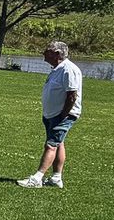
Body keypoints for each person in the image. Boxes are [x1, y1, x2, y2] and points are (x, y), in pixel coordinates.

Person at [19, 41, 81, 189]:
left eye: (47, 51)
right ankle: (56, 178)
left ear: (57, 54)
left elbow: (72, 95)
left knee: (51, 145)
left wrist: (62, 116)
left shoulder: (68, 70)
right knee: (58, 143)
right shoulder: (57, 69)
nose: (44, 53)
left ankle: (37, 178)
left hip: (62, 115)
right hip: (52, 114)